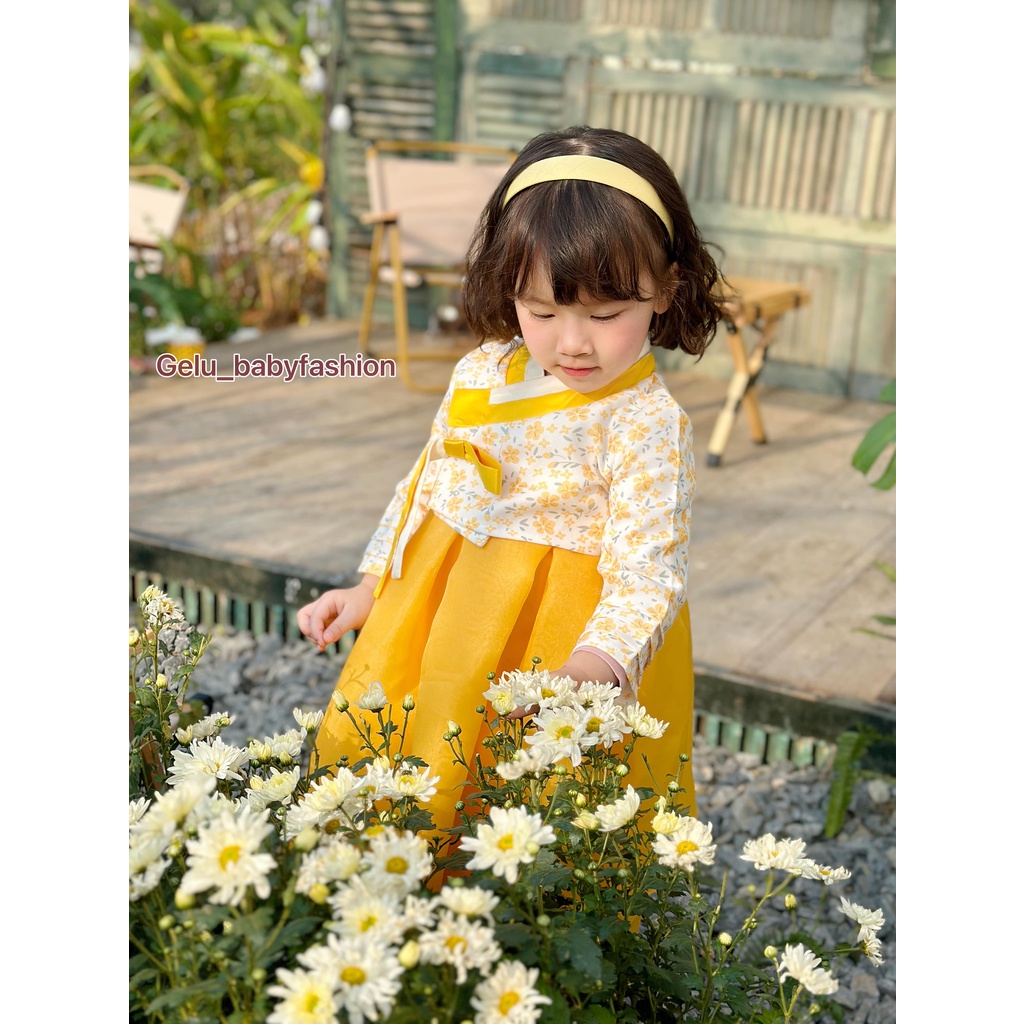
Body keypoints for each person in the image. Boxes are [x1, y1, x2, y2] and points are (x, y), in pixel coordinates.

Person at [299, 125, 723, 840]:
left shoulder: (645, 421)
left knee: (537, 812)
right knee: (426, 762)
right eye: (542, 311)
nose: (572, 342)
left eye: (606, 314)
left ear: (666, 289)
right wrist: (370, 586)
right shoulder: (482, 371)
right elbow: (425, 483)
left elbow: (650, 574)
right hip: (444, 615)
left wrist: (590, 669)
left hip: (563, 645)